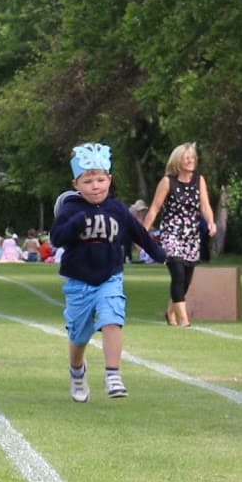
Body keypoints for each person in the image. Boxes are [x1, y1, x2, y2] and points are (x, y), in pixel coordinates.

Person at [52, 143, 167, 402]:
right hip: (79, 281)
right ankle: (77, 370)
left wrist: (159, 253)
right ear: (76, 184)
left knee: (112, 320)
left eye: (101, 180)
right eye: (88, 181)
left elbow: (139, 234)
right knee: (79, 335)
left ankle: (113, 373)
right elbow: (57, 238)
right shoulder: (71, 209)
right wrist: (74, 224)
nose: (95, 186)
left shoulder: (118, 210)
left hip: (110, 277)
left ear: (110, 179)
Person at [142, 142, 217, 327]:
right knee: (178, 275)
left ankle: (171, 312)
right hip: (172, 233)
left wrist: (211, 222)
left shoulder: (199, 180)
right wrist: (142, 233)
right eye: (186, 158)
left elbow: (205, 205)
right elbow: (155, 208)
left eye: (193, 158)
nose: (191, 161)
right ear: (177, 161)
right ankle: (184, 321)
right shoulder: (167, 182)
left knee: (186, 280)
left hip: (192, 235)